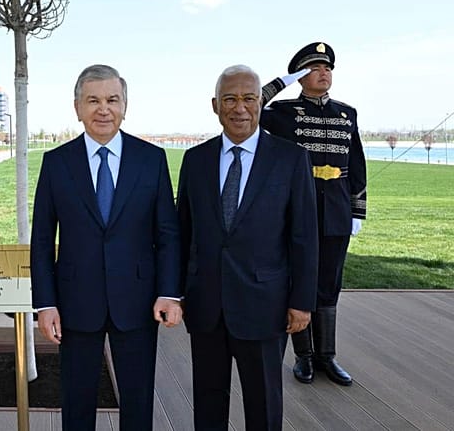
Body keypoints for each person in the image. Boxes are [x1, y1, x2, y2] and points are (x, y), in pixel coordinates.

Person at [30, 64, 182, 431]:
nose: (103, 109)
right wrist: (45, 304)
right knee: (77, 401)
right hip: (75, 301)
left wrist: (169, 293)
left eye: (112, 100)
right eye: (93, 100)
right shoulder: (56, 163)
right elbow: (41, 238)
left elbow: (168, 234)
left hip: (138, 300)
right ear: (77, 107)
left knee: (137, 400)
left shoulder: (152, 159)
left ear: (125, 105)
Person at [176, 65, 319, 430]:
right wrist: (174, 293)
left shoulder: (290, 159)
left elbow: (303, 236)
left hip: (265, 306)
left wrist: (302, 301)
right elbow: (183, 232)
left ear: (261, 102)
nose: (240, 108)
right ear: (215, 105)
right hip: (206, 306)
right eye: (230, 99)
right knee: (208, 400)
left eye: (249, 98)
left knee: (264, 402)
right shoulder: (195, 161)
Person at [260, 42, 367, 387]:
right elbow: (250, 104)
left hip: (335, 210)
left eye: (327, 68)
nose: (324, 73)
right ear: (302, 75)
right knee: (299, 280)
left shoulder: (345, 114)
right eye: (315, 68)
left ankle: (327, 356)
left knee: (328, 285)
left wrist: (356, 210)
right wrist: (283, 80)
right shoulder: (283, 113)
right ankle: (303, 357)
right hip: (297, 209)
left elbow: (357, 164)